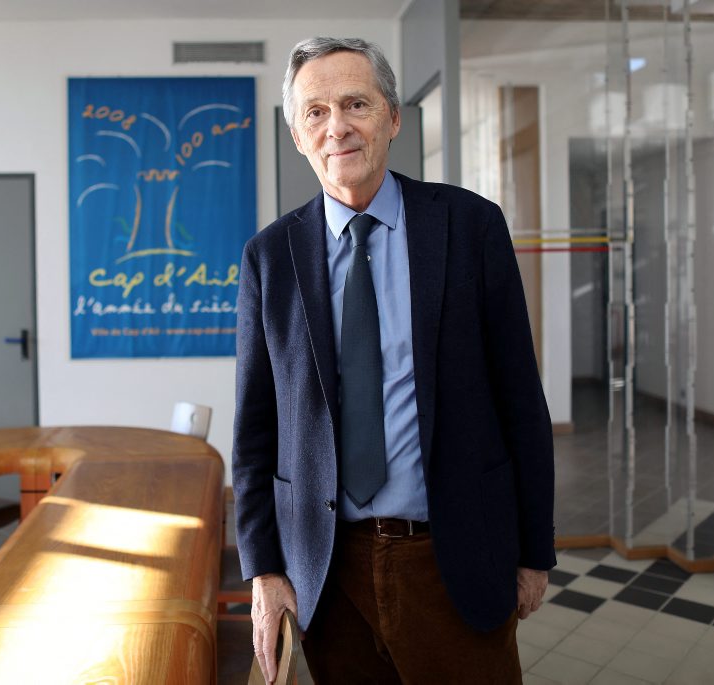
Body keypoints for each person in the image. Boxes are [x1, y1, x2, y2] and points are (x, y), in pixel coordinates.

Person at [233, 36, 555, 684]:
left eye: (356, 103)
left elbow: (520, 396)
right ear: (297, 135)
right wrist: (264, 568)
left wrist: (533, 549)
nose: (337, 127)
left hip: (452, 556)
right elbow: (255, 431)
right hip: (327, 571)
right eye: (316, 112)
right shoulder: (270, 257)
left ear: (393, 117)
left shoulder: (471, 227)